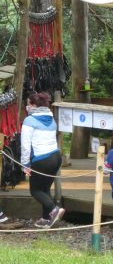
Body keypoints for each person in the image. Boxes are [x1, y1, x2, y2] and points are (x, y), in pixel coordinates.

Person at [20, 92, 65, 229]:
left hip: (42, 159)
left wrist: (25, 164)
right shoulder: (51, 118)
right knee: (45, 188)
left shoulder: (29, 121)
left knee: (35, 190)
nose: (26, 107)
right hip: (56, 157)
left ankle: (54, 209)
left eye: (28, 104)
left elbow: (25, 145)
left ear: (34, 105)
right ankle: (46, 219)